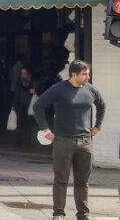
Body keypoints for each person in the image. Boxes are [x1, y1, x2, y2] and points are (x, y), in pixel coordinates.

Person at [32, 60, 106, 220]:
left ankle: (83, 214)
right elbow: (38, 106)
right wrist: (45, 129)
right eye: (84, 74)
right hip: (63, 141)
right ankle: (58, 214)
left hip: (85, 141)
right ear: (74, 74)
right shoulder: (58, 89)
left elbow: (102, 105)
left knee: (82, 181)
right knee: (61, 180)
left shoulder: (90, 89)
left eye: (88, 74)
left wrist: (97, 126)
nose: (88, 77)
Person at [11, 66, 36, 147]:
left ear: (28, 74)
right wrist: (14, 106)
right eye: (22, 73)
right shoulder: (19, 82)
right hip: (21, 105)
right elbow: (17, 95)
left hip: (30, 106)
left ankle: (28, 142)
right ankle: (19, 142)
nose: (23, 75)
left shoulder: (33, 82)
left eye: (24, 73)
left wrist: (34, 91)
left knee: (29, 125)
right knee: (20, 124)